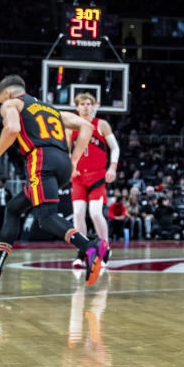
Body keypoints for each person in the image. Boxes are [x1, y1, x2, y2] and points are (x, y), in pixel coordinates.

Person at [0, 75, 107, 288]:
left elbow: (13, 129)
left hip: (41, 161)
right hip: (61, 164)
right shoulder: (51, 109)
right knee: (14, 208)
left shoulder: (11, 103)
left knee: (47, 217)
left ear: (6, 94)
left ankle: (89, 246)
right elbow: (86, 127)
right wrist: (74, 161)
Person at [70, 92, 119, 267]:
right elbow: (66, 151)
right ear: (76, 107)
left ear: (93, 106)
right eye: (82, 104)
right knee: (77, 214)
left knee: (96, 213)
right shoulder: (71, 126)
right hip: (78, 176)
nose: (85, 106)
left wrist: (112, 167)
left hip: (97, 175)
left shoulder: (101, 125)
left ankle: (104, 248)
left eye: (88, 104)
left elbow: (115, 147)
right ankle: (83, 251)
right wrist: (70, 166)